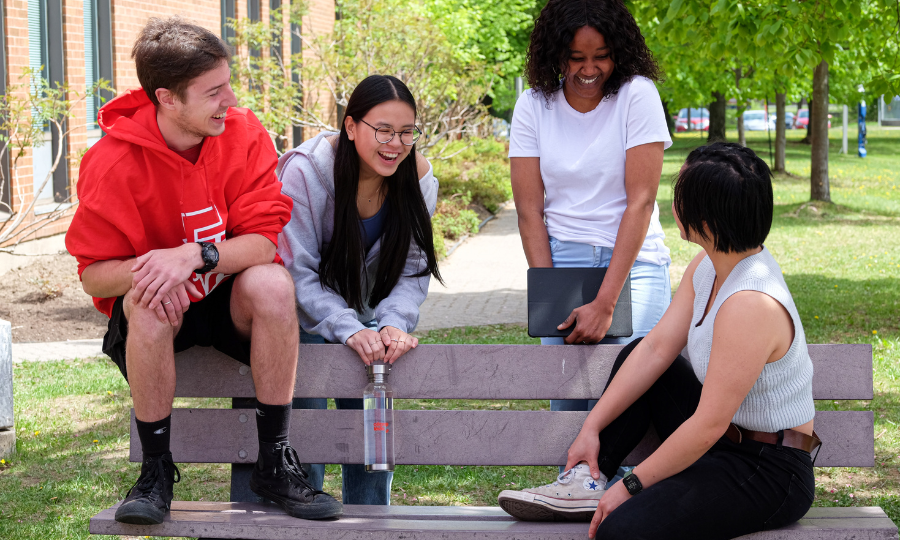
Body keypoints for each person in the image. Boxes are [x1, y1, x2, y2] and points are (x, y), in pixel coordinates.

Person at [65, 18, 343, 524]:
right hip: (160, 315)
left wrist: (194, 256)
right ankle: (154, 472)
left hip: (228, 298)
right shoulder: (110, 162)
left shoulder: (244, 133)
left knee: (273, 283)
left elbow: (263, 242)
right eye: (214, 92)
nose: (229, 101)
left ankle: (275, 463)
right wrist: (153, 272)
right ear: (167, 98)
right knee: (146, 300)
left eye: (227, 85)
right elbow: (94, 275)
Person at [499, 143, 819, 540]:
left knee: (622, 530)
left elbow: (706, 426)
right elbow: (656, 349)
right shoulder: (708, 266)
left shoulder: (751, 303)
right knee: (643, 352)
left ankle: (613, 490)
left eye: (679, 194)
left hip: (766, 468)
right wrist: (591, 428)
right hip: (722, 442)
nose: (671, 205)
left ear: (706, 218)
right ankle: (590, 479)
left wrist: (630, 487)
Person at [277, 74, 442, 505]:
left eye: (406, 132)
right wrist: (347, 327)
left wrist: (393, 323)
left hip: (368, 322)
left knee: (374, 433)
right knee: (307, 439)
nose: (395, 144)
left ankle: (371, 521)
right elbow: (296, 272)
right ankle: (304, 515)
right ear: (351, 127)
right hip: (302, 323)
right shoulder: (305, 172)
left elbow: (412, 271)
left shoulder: (418, 179)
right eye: (383, 130)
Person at [509, 0, 673, 420]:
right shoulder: (533, 104)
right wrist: (550, 294)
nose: (589, 69)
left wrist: (606, 301)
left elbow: (640, 202)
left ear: (619, 51)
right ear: (555, 53)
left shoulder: (637, 95)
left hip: (635, 266)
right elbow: (529, 211)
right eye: (575, 57)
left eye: (601, 56)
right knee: (567, 409)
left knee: (626, 406)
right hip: (561, 265)